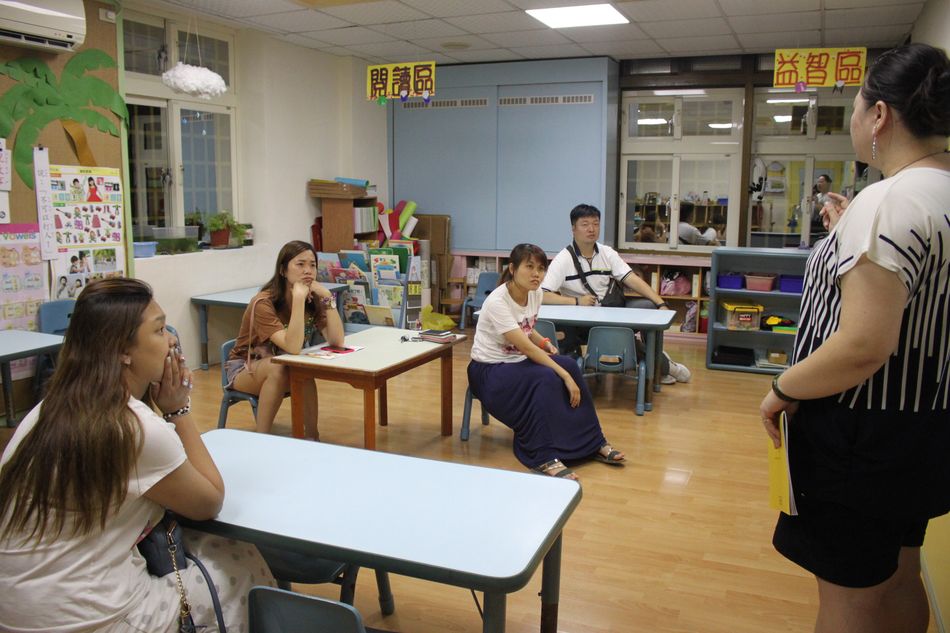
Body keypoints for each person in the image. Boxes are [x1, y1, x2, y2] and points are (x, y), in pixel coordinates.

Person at [759, 43, 949, 633]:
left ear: (880, 115)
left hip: (859, 432)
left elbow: (865, 343)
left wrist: (782, 389)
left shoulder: (886, 201)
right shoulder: (936, 193)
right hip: (925, 420)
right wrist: (850, 232)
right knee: (900, 573)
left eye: (858, 105)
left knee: (848, 600)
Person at [0, 278, 274, 632]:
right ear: (121, 350)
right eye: (159, 330)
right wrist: (178, 411)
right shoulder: (133, 426)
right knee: (239, 563)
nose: (172, 340)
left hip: (14, 609)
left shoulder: (47, 409)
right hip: (82, 617)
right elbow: (209, 501)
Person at [468, 243, 625, 480]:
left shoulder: (535, 293)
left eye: (541, 269)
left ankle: (594, 442)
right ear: (512, 269)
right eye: (529, 267)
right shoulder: (497, 301)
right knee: (546, 377)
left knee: (570, 364)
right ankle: (543, 456)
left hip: (516, 361)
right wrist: (564, 376)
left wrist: (544, 342)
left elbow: (525, 327)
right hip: (489, 371)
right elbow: (526, 347)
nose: (536, 274)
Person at [541, 203, 690, 384]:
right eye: (585, 224)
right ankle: (662, 366)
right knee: (623, 337)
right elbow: (543, 295)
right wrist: (576, 301)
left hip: (611, 311)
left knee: (648, 306)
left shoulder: (607, 253)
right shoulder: (563, 259)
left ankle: (657, 358)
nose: (591, 229)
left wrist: (661, 303)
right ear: (573, 229)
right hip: (583, 323)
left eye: (595, 224)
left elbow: (631, 279)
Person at [226, 240, 344, 439]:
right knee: (279, 368)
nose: (308, 271)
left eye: (312, 265)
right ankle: (262, 439)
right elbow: (293, 347)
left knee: (303, 370)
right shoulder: (263, 303)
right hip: (244, 367)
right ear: (283, 270)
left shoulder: (313, 298)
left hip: (284, 362)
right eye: (300, 264)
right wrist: (298, 300)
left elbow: (337, 341)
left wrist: (327, 297)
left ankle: (312, 438)